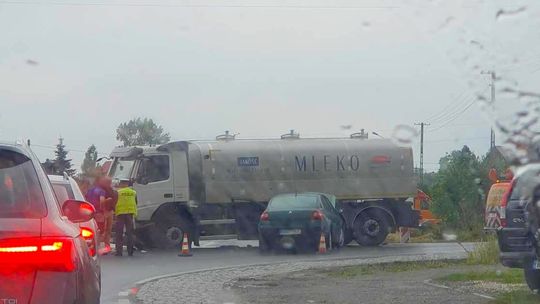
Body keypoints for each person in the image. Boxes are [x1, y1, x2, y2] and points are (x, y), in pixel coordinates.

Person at [85, 176, 114, 250]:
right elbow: (102, 201)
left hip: (90, 212)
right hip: (99, 213)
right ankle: (98, 247)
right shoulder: (101, 191)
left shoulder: (90, 190)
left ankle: (92, 246)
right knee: (101, 230)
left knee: (93, 230)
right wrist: (103, 209)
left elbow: (86, 199)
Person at [114, 178, 137, 257]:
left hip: (120, 213)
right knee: (130, 233)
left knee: (119, 233)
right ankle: (130, 251)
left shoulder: (118, 192)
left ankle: (119, 252)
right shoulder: (133, 192)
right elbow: (136, 202)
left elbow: (114, 202)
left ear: (122, 184)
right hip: (130, 214)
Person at [101, 177, 118, 254]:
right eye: (108, 181)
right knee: (103, 230)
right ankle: (102, 247)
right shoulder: (101, 190)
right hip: (103, 211)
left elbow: (114, 200)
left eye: (109, 181)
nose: (109, 183)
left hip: (109, 211)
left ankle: (106, 247)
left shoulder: (112, 190)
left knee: (108, 230)